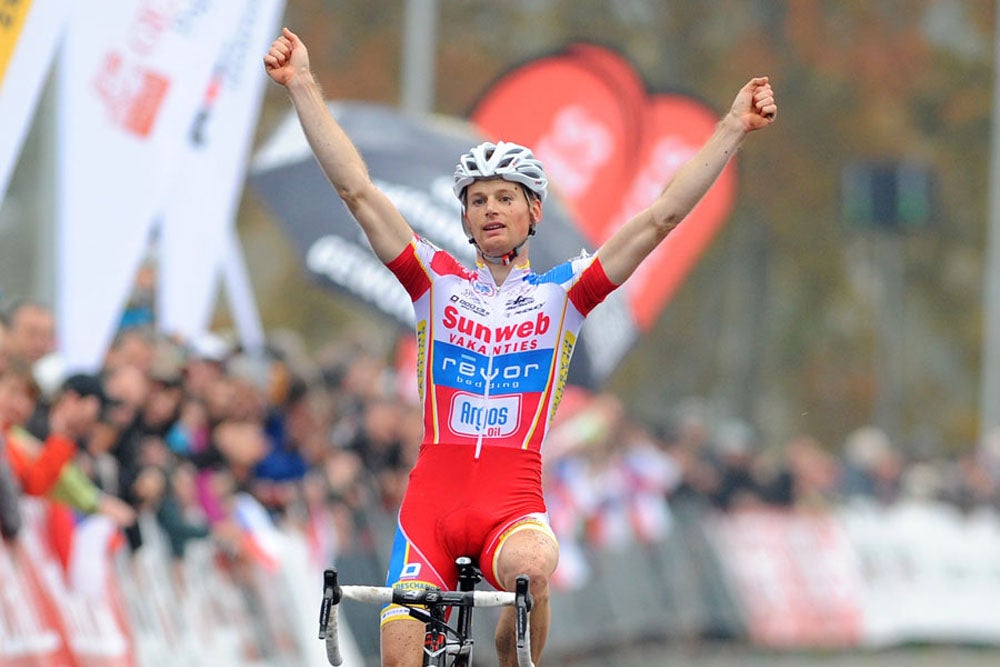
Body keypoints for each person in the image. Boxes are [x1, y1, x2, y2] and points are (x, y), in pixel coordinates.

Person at [265, 26, 776, 667]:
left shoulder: (565, 294)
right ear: (464, 217)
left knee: (533, 567)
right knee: (399, 661)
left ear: (534, 212)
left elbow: (660, 217)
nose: (490, 209)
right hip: (431, 508)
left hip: (511, 506)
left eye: (505, 197)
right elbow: (358, 192)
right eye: (477, 200)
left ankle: (513, 656)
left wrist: (731, 127)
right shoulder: (435, 282)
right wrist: (303, 85)